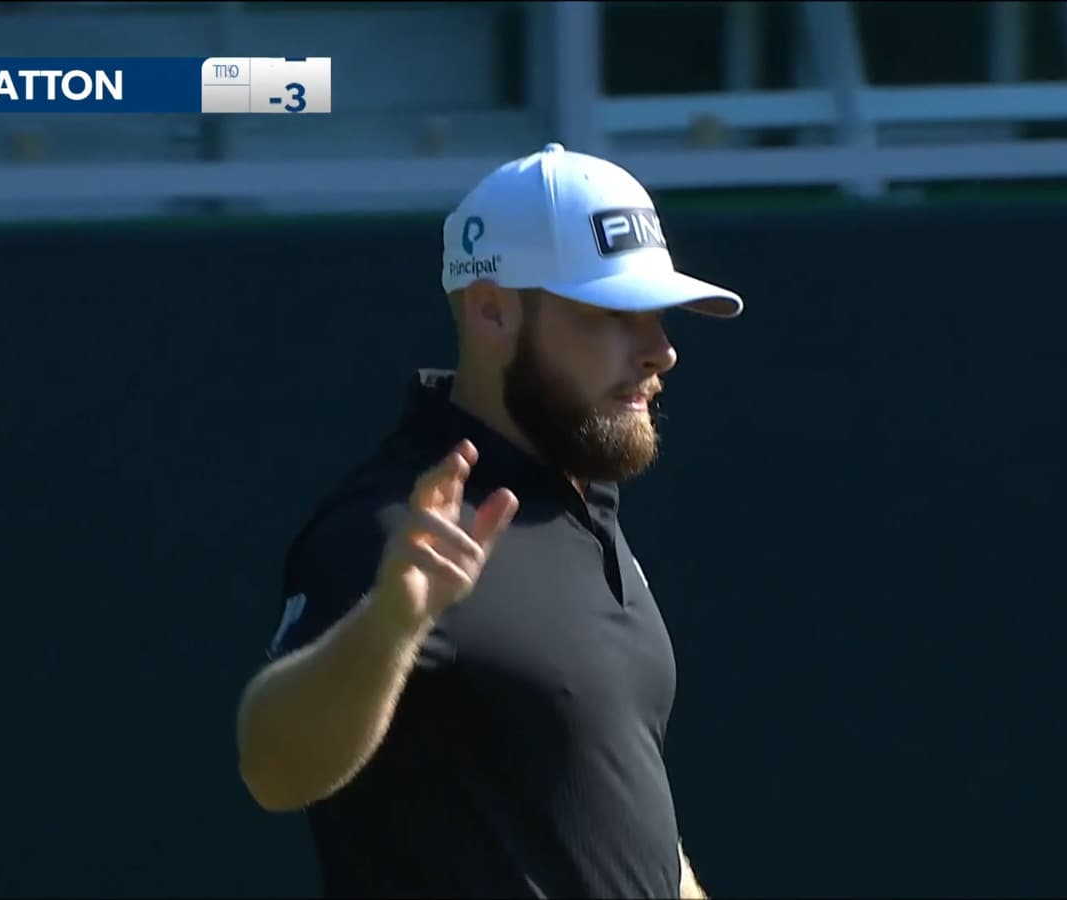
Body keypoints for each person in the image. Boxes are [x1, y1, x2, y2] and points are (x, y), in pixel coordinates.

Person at [235, 142, 744, 899]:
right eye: (613, 313)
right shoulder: (395, 528)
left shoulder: (581, 505)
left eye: (659, 316)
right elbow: (273, 770)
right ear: (492, 309)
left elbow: (622, 835)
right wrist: (390, 624)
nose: (660, 351)